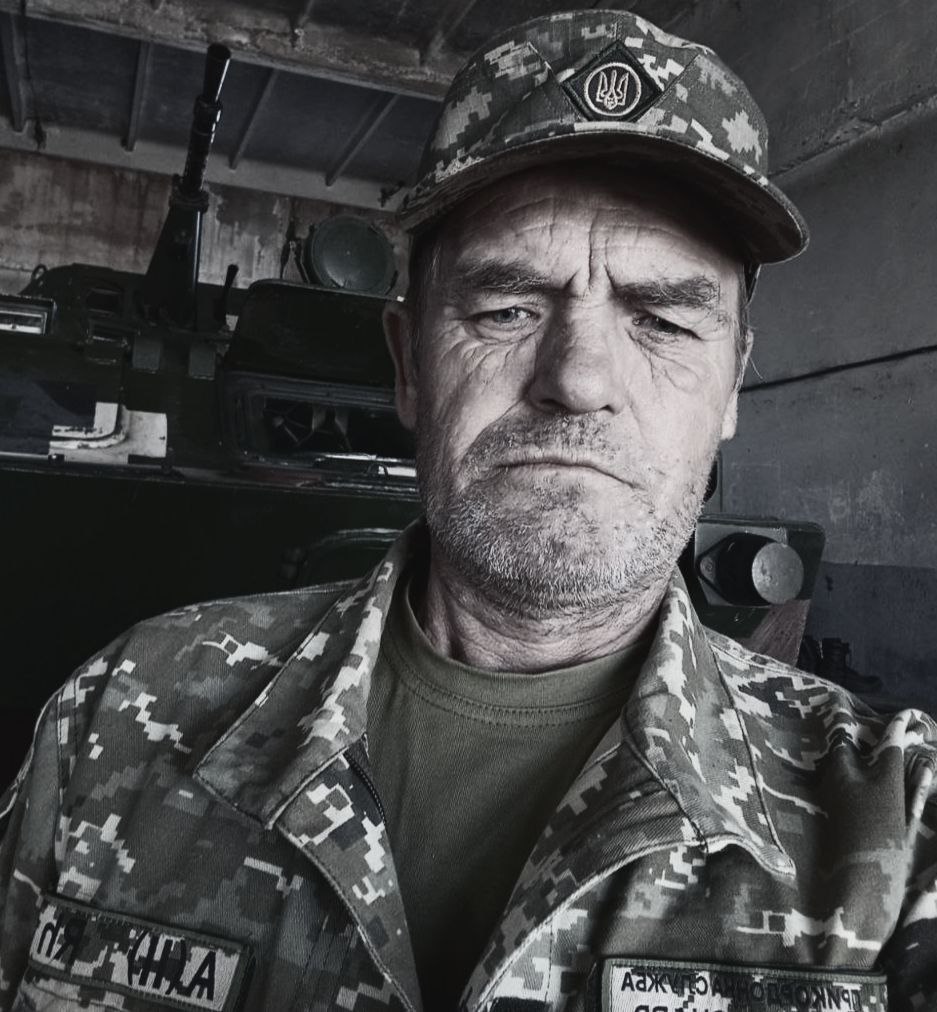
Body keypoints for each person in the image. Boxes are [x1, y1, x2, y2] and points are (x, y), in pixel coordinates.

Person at [1, 9, 934, 1012]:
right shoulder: (122, 717)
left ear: (732, 387)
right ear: (408, 364)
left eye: (662, 319)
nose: (577, 380)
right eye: (505, 309)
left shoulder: (896, 826)